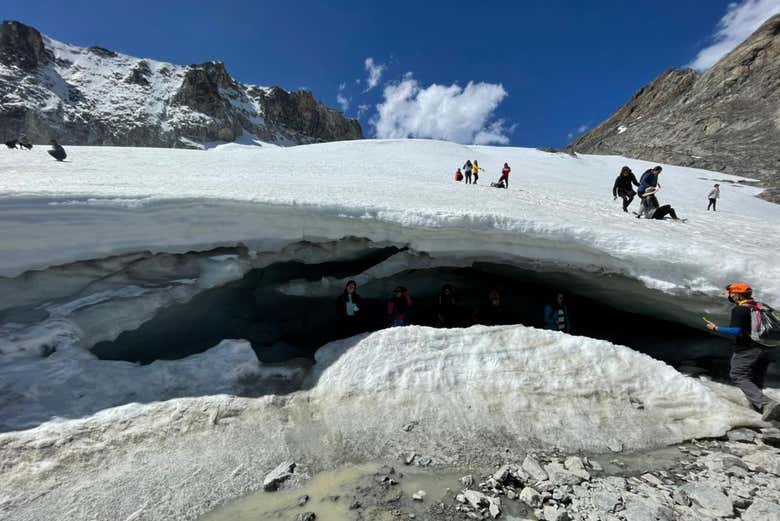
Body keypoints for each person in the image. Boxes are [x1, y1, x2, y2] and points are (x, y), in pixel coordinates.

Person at [704, 282, 780, 421]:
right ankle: (760, 409)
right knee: (755, 377)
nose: (729, 296)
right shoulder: (762, 306)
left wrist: (716, 328)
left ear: (737, 294)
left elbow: (737, 331)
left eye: (730, 293)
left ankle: (766, 403)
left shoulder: (739, 310)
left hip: (748, 349)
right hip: (770, 348)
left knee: (737, 375)